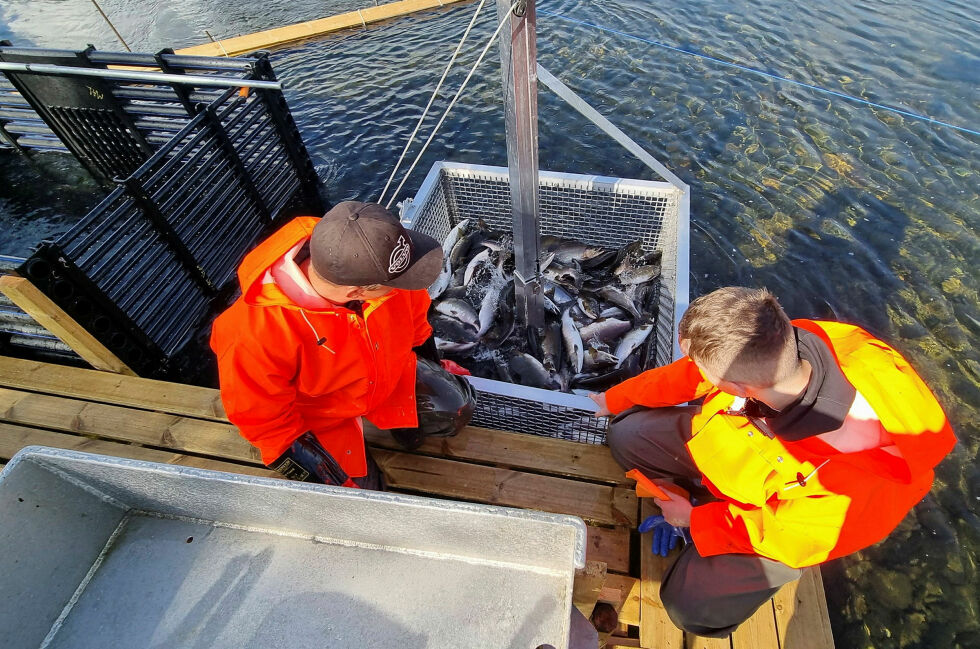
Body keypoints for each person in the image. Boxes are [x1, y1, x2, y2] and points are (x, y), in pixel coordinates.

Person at [589, 286, 956, 637]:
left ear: (735, 387)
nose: (695, 373)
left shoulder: (853, 481)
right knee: (625, 436)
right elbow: (689, 376)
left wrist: (695, 519)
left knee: (690, 609)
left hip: (780, 530)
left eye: (703, 371)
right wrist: (615, 399)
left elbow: (786, 537)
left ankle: (708, 533)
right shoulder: (791, 342)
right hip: (735, 450)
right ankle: (705, 495)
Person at [211, 201, 475, 490]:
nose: (409, 284)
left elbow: (418, 331)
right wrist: (336, 484)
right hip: (321, 418)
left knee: (457, 404)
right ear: (357, 292)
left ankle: (405, 429)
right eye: (400, 279)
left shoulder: (367, 257)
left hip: (388, 376)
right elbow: (272, 430)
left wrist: (436, 371)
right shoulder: (250, 334)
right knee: (364, 495)